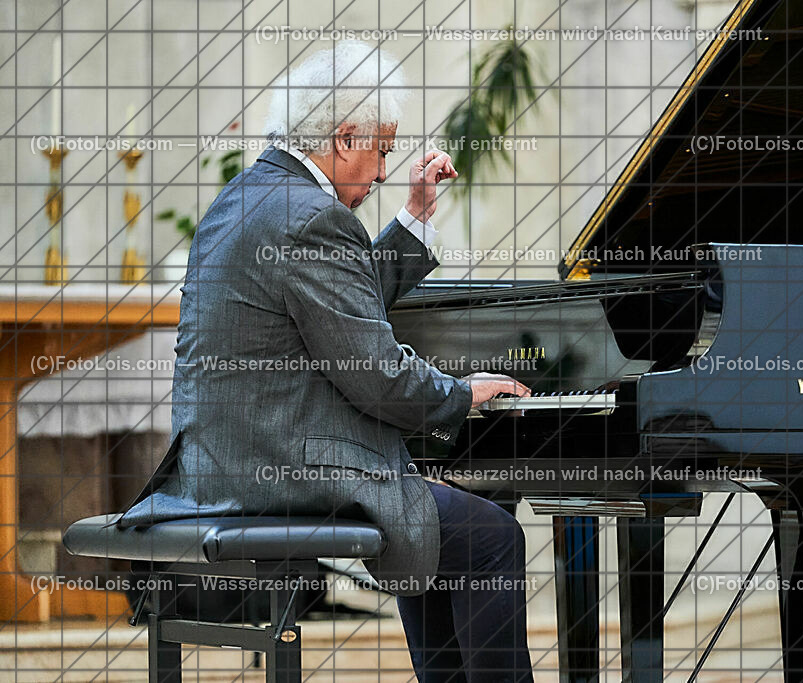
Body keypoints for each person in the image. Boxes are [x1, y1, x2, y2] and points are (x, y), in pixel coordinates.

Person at [116, 41, 534, 682]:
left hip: (220, 464)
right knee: (490, 537)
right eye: (382, 150)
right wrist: (458, 394)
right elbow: (377, 373)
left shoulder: (248, 197)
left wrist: (415, 214)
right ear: (343, 139)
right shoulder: (311, 220)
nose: (385, 170)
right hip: (280, 468)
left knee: (452, 525)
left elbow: (342, 301)